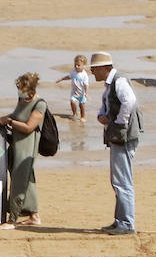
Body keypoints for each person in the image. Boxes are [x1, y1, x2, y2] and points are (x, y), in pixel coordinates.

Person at [91, 52, 140, 235]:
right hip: (119, 136)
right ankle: (120, 221)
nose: (93, 72)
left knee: (122, 181)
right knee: (118, 180)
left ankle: (126, 224)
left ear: (104, 68)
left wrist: (120, 121)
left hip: (124, 137)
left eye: (94, 69)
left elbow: (130, 102)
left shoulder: (119, 81)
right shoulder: (112, 83)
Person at [0, 72, 47, 228]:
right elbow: (17, 115)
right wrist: (3, 119)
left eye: (22, 88)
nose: (19, 90)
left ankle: (13, 218)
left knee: (20, 180)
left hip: (27, 146)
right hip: (16, 144)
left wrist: (10, 121)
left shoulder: (40, 104)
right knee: (28, 180)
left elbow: (28, 127)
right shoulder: (22, 100)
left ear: (30, 88)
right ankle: (34, 216)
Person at [55, 54, 91, 120]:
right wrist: (62, 79)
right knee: (72, 102)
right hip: (74, 93)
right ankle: (74, 113)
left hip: (82, 94)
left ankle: (83, 116)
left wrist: (86, 93)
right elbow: (69, 77)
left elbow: (86, 85)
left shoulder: (84, 75)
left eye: (79, 65)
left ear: (84, 65)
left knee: (81, 105)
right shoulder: (73, 71)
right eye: (75, 65)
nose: (76, 67)